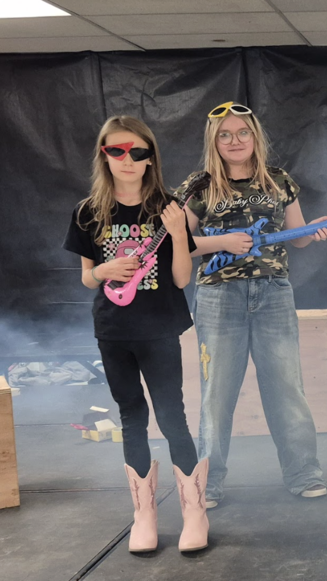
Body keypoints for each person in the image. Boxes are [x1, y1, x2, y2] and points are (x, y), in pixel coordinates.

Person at [63, 115, 208, 553]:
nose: (127, 159)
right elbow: (89, 279)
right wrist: (103, 270)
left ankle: (193, 511)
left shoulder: (168, 206)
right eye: (116, 151)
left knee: (172, 416)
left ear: (150, 158)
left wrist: (180, 232)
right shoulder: (89, 212)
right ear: (103, 155)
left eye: (138, 152)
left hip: (160, 326)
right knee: (132, 417)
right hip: (114, 328)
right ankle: (143, 515)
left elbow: (182, 279)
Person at [182, 101, 327, 507]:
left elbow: (296, 236)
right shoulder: (199, 186)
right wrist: (222, 243)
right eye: (225, 134)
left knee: (287, 386)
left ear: (255, 137)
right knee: (217, 392)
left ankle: (304, 472)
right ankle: (208, 482)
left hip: (272, 291)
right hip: (218, 295)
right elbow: (177, 245)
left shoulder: (278, 181)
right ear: (214, 140)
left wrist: (314, 231)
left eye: (242, 133)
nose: (235, 141)